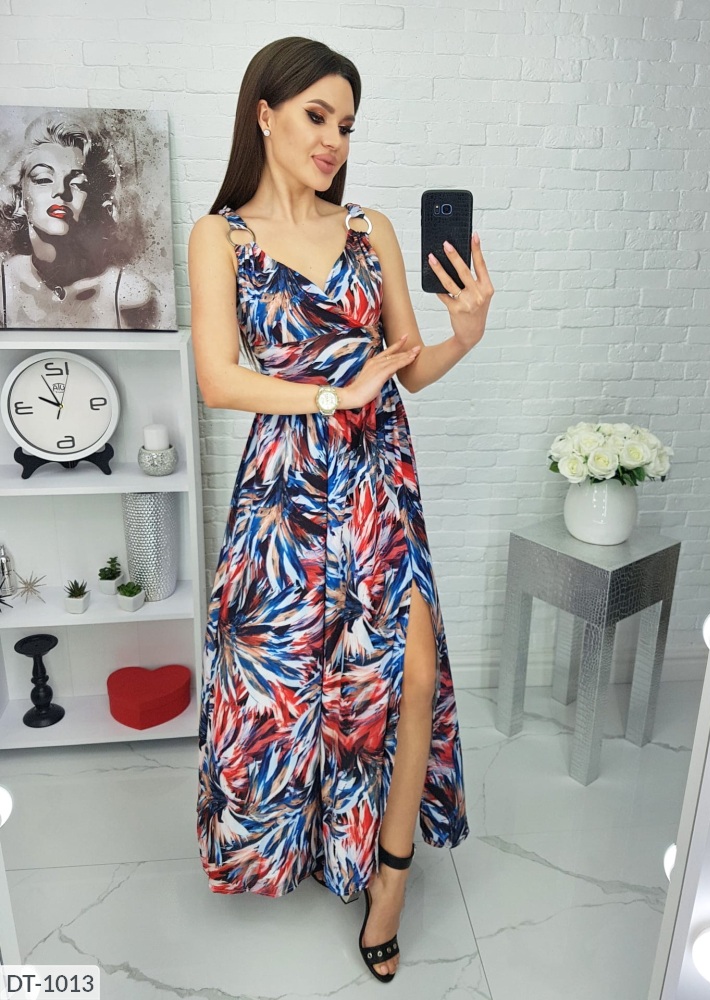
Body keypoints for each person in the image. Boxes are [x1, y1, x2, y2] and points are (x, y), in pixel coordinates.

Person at [190, 36, 493, 984]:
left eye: (348, 124)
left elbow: (410, 367)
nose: (334, 140)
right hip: (283, 494)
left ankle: (389, 883)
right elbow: (218, 379)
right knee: (288, 690)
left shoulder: (371, 229)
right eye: (316, 115)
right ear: (265, 114)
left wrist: (464, 335)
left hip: (377, 480)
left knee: (408, 678)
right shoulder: (221, 238)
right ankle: (311, 847)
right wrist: (333, 394)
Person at [0, 113, 159, 329]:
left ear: (93, 199)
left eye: (77, 183)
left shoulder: (129, 296)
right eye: (44, 179)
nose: (60, 191)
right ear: (19, 198)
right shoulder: (4, 286)